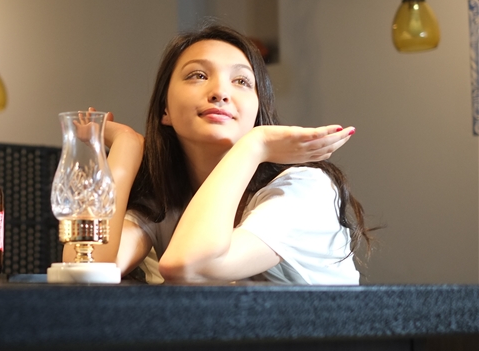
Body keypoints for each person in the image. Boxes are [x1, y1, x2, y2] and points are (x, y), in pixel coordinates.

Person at [75, 24, 370, 285]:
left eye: (241, 81)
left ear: (257, 109)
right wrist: (127, 147)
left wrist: (253, 146)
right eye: (198, 75)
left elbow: (189, 266)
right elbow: (87, 267)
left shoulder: (304, 189)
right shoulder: (163, 202)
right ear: (165, 109)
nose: (220, 92)